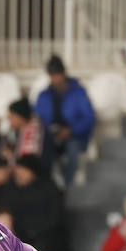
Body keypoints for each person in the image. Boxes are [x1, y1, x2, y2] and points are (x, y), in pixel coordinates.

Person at [32, 55, 94, 188]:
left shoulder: (78, 93)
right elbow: (36, 118)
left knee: (72, 150)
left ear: (63, 73)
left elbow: (88, 118)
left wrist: (71, 130)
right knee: (40, 151)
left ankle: (67, 187)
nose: (55, 79)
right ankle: (46, 186)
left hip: (74, 135)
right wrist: (47, 132)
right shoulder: (44, 95)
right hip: (50, 135)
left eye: (57, 74)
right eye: (52, 75)